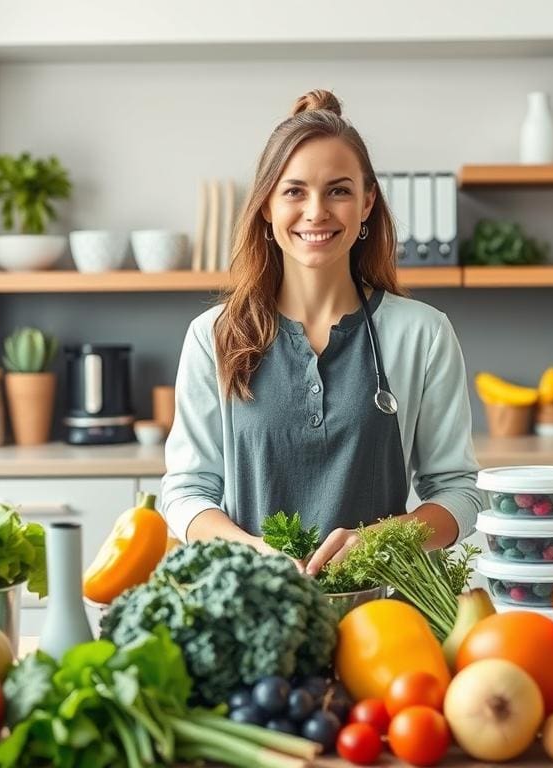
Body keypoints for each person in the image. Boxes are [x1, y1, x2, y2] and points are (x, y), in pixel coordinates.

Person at [161, 89, 481, 576]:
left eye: (339, 190)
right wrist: (255, 552)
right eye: (294, 191)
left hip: (384, 616)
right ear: (266, 205)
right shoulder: (215, 336)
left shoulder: (424, 335)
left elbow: (460, 491)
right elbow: (186, 493)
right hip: (258, 606)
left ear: (367, 202)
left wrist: (383, 540)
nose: (316, 212)